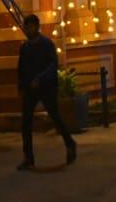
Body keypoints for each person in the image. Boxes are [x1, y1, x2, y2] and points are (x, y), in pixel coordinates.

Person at [16, 15, 76, 170]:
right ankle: (28, 157)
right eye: (26, 27)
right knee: (26, 123)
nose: (27, 30)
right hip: (30, 88)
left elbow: (52, 65)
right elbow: (21, 69)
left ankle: (70, 144)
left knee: (55, 117)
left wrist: (40, 79)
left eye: (29, 27)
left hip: (46, 87)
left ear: (36, 27)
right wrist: (21, 87)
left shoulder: (46, 44)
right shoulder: (25, 47)